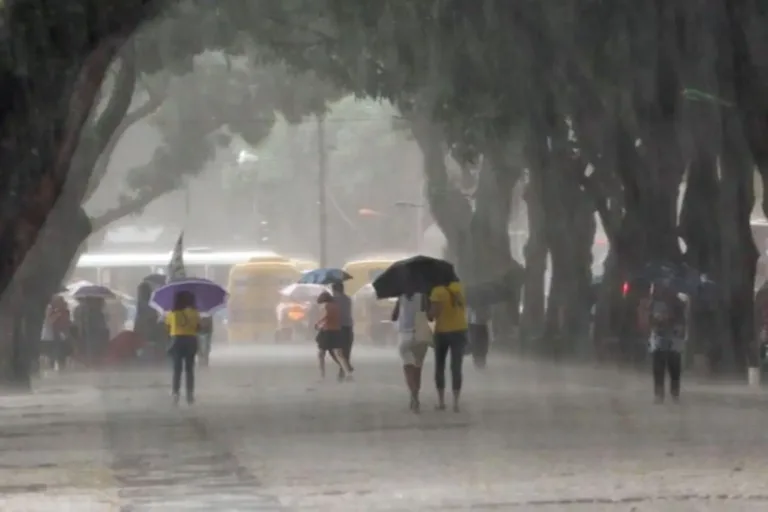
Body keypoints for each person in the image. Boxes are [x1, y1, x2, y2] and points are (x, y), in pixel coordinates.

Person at [429, 275, 469, 412]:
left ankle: (441, 402)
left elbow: (433, 315)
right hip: (460, 330)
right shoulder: (459, 288)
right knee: (456, 366)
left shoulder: (437, 291)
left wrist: (427, 311)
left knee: (440, 366)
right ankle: (456, 403)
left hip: (442, 332)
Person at [648, 279, 688, 403]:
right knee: (662, 366)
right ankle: (662, 393)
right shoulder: (655, 302)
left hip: (671, 339)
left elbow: (682, 322)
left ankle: (671, 393)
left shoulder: (678, 302)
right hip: (661, 338)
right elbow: (651, 320)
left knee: (672, 366)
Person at [392, 292, 432, 413]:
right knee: (418, 367)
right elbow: (430, 316)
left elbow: (394, 316)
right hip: (421, 332)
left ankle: (413, 393)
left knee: (408, 367)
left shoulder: (401, 295)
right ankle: (416, 394)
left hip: (406, 334)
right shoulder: (423, 295)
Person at [165, 291, 201, 405]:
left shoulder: (172, 313)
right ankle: (190, 394)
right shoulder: (195, 313)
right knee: (189, 370)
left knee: (177, 369)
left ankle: (175, 393)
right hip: (191, 341)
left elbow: (167, 326)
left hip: (177, 341)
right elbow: (198, 328)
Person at [315, 291, 353, 381]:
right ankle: (348, 374)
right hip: (336, 331)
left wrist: (318, 324)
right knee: (339, 354)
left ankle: (322, 375)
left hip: (327, 332)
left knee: (321, 354)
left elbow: (325, 317)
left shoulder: (326, 306)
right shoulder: (336, 306)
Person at [331, 282, 354, 378]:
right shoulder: (348, 299)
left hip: (338, 328)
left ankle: (344, 367)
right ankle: (344, 369)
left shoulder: (333, 300)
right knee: (346, 350)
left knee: (334, 350)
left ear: (335, 290)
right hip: (348, 326)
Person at [466, 305, 491, 369]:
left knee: (477, 341)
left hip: (477, 323)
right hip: (477, 323)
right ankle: (479, 358)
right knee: (478, 341)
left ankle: (479, 358)